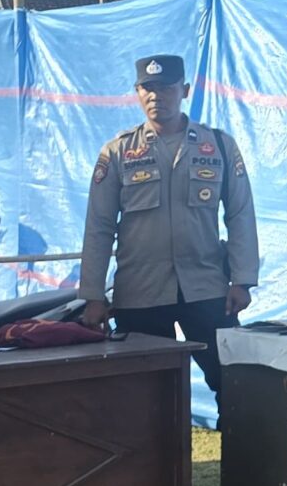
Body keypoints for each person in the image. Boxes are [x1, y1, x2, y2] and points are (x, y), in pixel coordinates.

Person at [79, 55, 260, 403]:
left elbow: (240, 214)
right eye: (147, 88)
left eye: (165, 87)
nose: (155, 96)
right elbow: (99, 226)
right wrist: (93, 295)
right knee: (143, 397)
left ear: (185, 90)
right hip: (140, 292)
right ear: (137, 92)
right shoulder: (118, 152)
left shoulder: (218, 146)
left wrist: (242, 279)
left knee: (235, 384)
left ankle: (239, 442)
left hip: (207, 289)